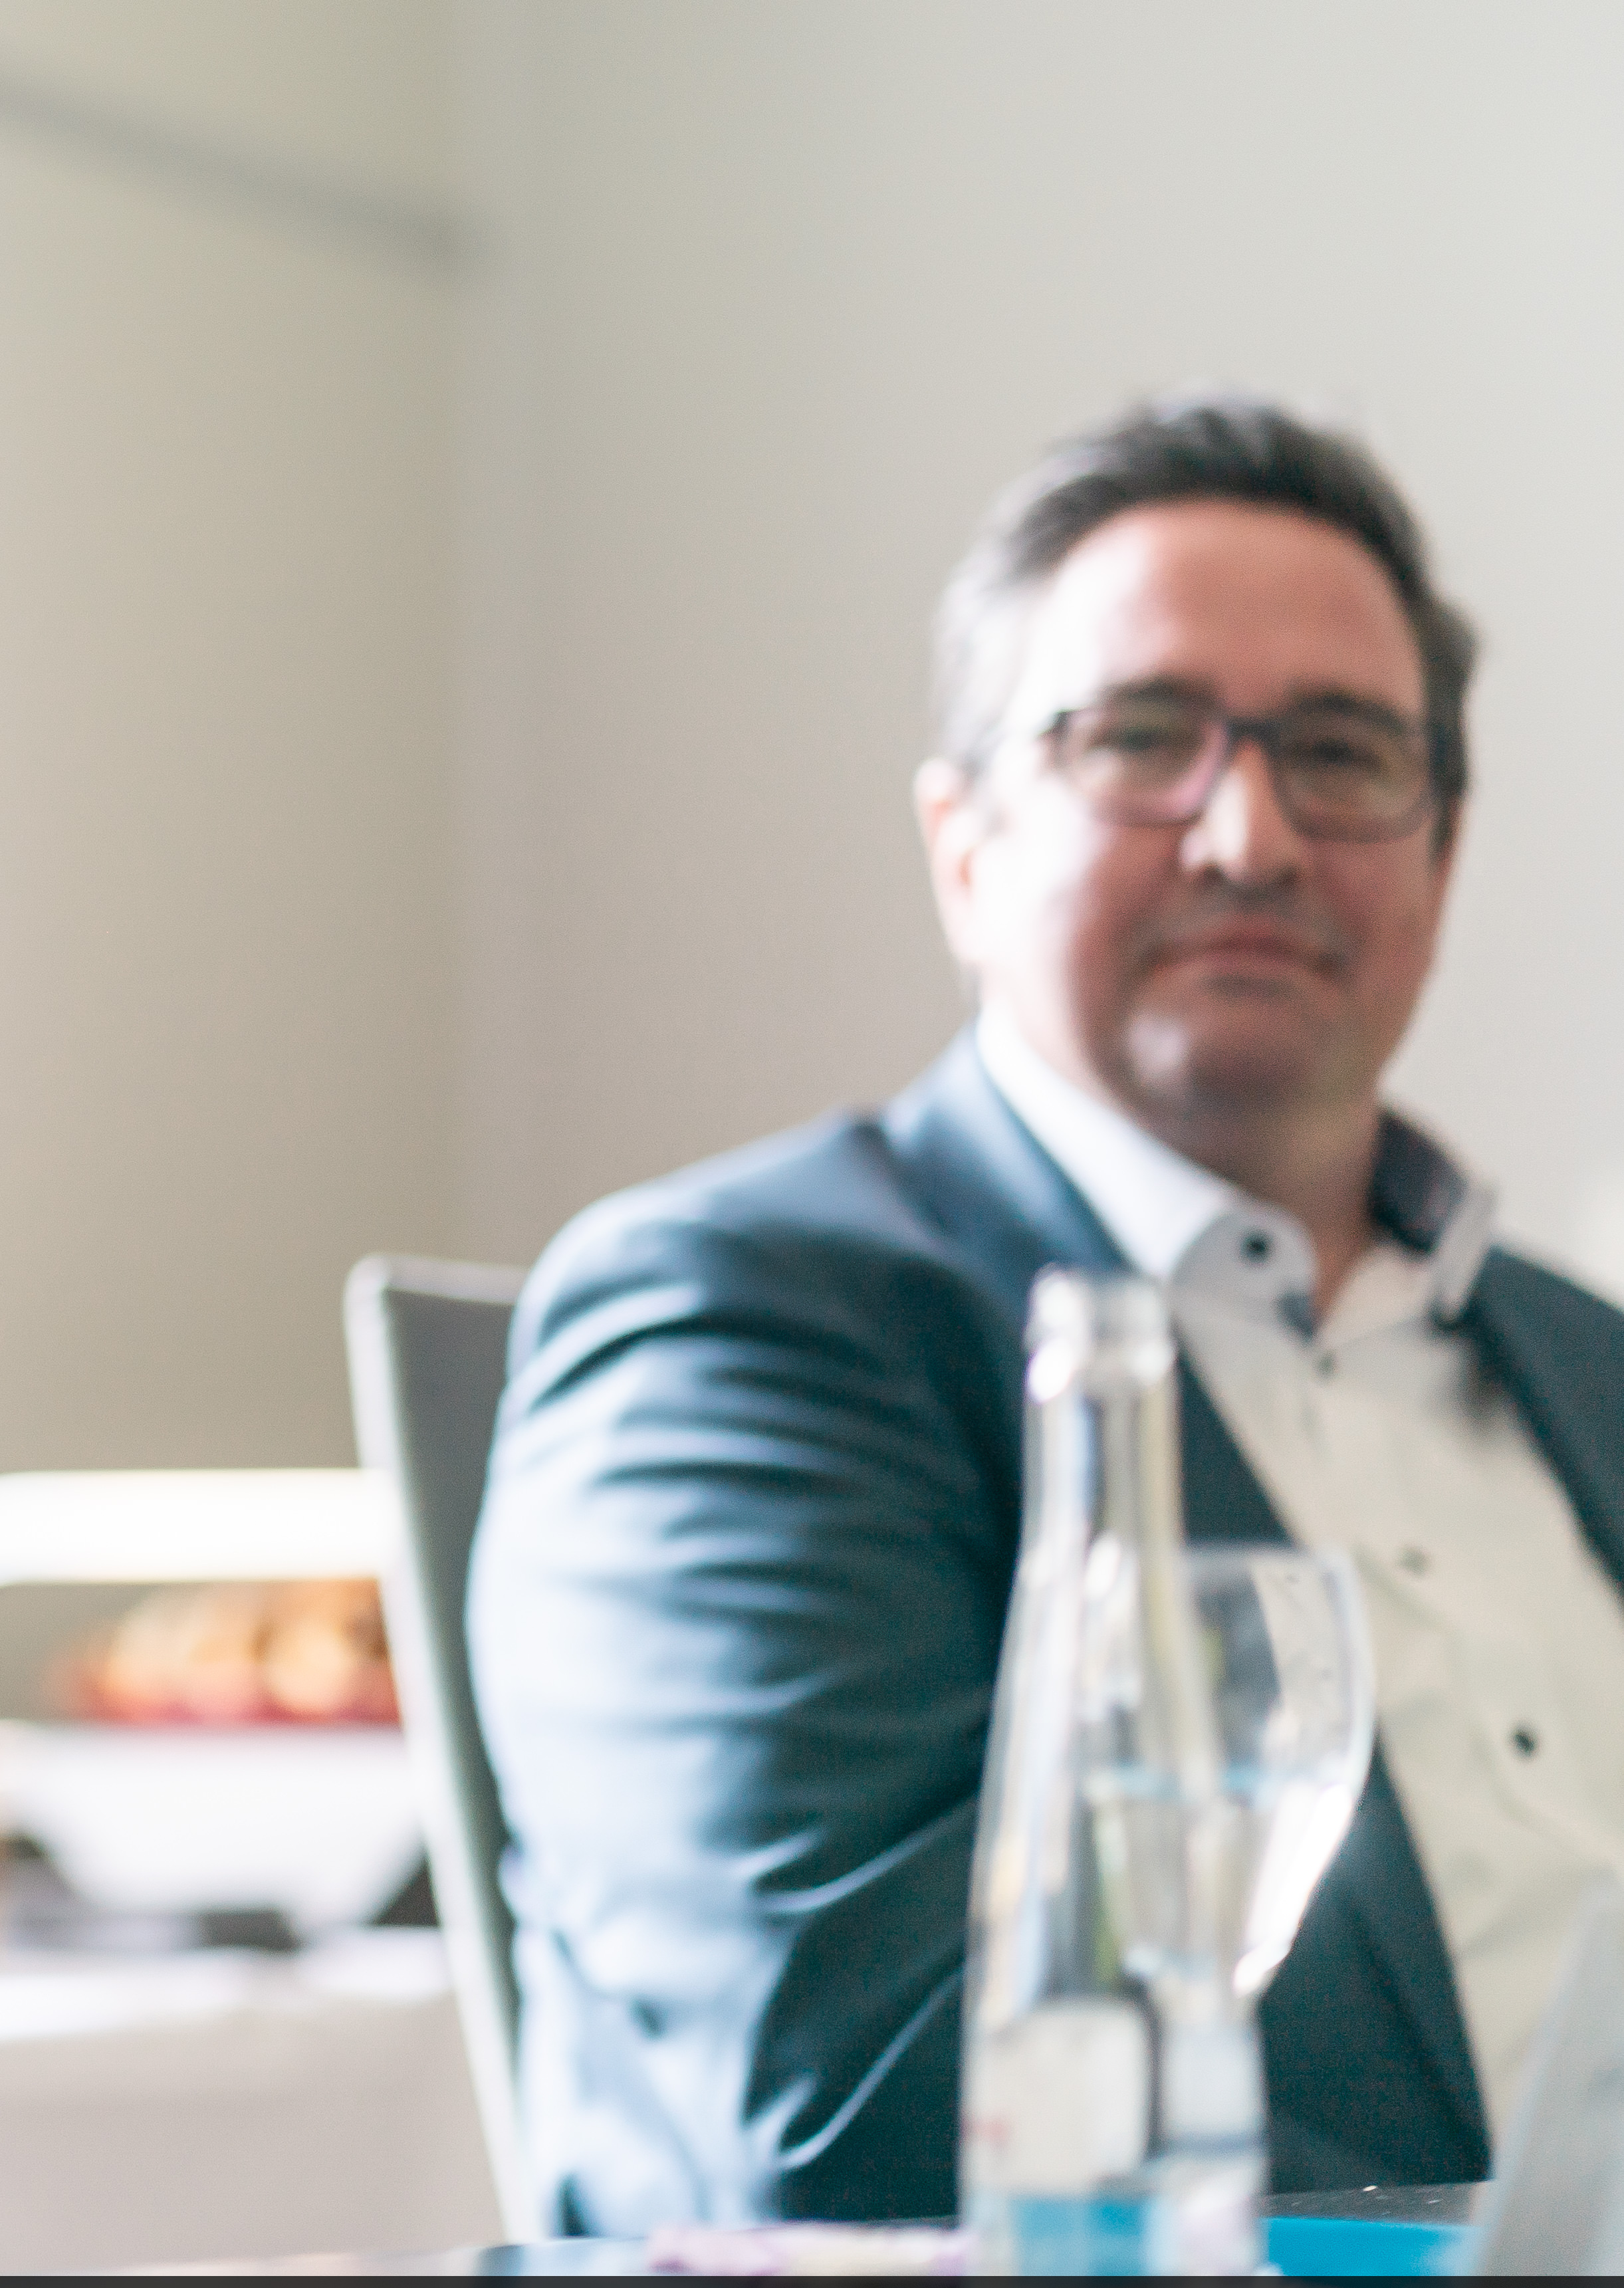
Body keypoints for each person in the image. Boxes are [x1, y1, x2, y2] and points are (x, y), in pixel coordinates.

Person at [471, 395, 1624, 2231]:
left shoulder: (1590, 1365)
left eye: (1337, 754)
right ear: (964, 843)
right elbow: (855, 2104)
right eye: (1141, 739)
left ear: (1441, 848)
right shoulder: (737, 1334)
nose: (1245, 833)